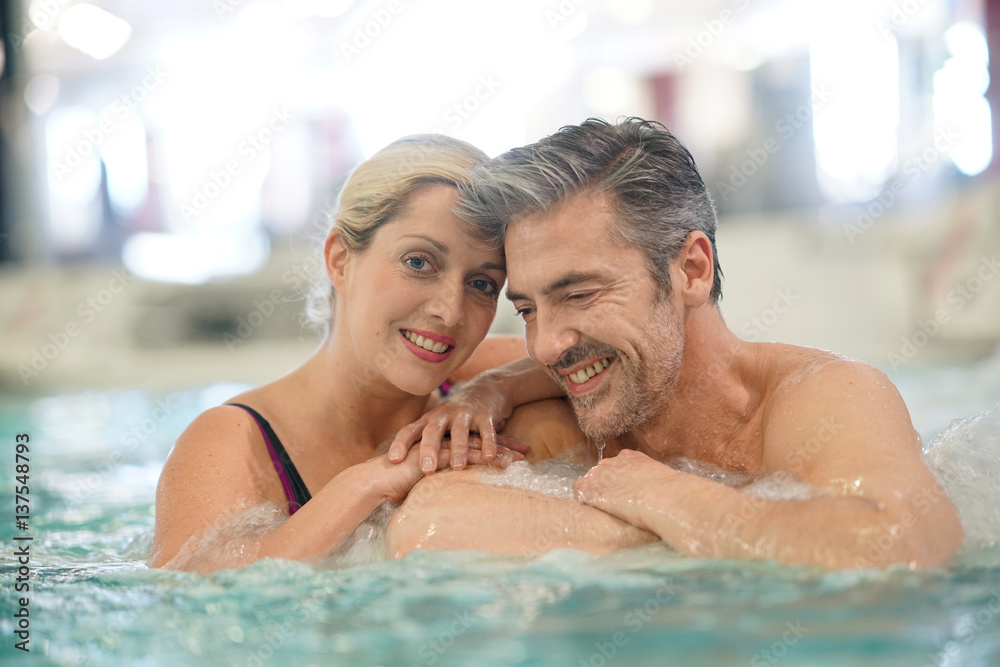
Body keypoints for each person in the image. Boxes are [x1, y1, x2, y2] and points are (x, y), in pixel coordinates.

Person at [386, 118, 965, 570]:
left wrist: (671, 498)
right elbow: (428, 523)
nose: (545, 345)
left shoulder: (820, 400)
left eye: (580, 294)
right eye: (528, 310)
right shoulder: (576, 429)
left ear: (691, 270)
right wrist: (680, 531)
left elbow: (906, 544)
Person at [148, 135, 537, 572]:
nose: (450, 312)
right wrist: (368, 482)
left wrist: (494, 389)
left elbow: (578, 355)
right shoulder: (231, 441)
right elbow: (193, 589)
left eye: (482, 284)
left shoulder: (471, 382)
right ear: (339, 260)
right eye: (419, 262)